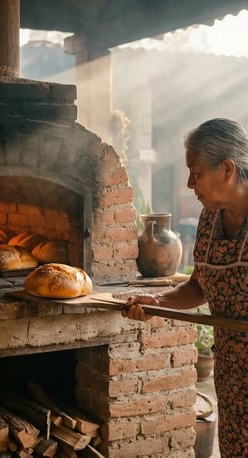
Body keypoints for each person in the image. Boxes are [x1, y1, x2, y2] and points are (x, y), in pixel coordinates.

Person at [123, 118, 248, 458]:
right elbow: (200, 286)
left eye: (197, 172)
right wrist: (157, 300)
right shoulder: (210, 217)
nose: (190, 182)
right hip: (233, 375)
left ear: (227, 169)